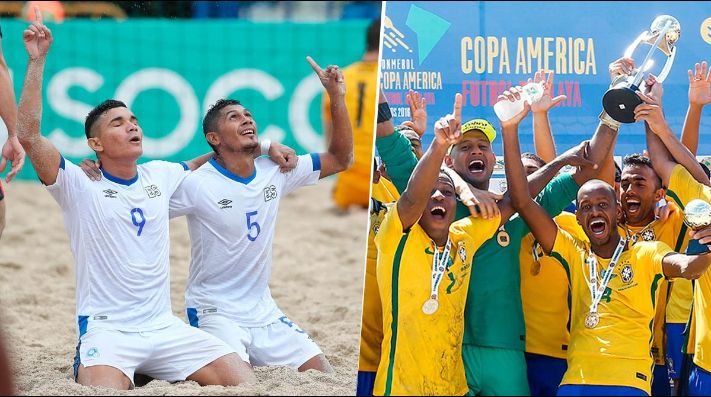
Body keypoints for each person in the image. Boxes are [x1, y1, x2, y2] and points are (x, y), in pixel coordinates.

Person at [15, 10, 296, 389]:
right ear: (95, 145)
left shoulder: (160, 174)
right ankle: (114, 366)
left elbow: (210, 156)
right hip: (109, 330)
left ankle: (149, 369)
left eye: (133, 120)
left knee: (244, 383)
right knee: (102, 390)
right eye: (118, 123)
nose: (132, 125)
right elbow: (29, 136)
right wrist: (37, 62)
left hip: (165, 327)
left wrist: (261, 145)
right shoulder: (78, 183)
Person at [500, 95, 711, 397]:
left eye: (602, 205)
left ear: (617, 210)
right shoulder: (573, 249)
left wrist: (703, 249)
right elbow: (522, 200)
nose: (595, 212)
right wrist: (510, 129)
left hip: (630, 382)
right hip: (576, 382)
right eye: (585, 207)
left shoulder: (644, 251)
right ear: (578, 215)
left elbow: (688, 268)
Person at [168, 56, 353, 377]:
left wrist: (336, 97)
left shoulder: (276, 170)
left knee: (323, 374)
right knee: (239, 381)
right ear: (214, 138)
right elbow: (141, 195)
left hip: (264, 309)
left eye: (248, 115)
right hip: (215, 309)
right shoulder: (197, 184)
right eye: (233, 117)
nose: (245, 119)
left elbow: (341, 158)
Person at [373, 94, 503, 395]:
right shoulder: (398, 234)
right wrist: (438, 143)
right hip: (400, 387)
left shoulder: (464, 235)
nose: (437, 196)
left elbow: (515, 203)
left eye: (446, 192)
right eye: (431, 191)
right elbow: (412, 196)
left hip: (453, 386)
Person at [324, 18, 379, 211]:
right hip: (381, 188)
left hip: (347, 190)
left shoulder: (340, 78)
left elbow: (330, 144)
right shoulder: (391, 80)